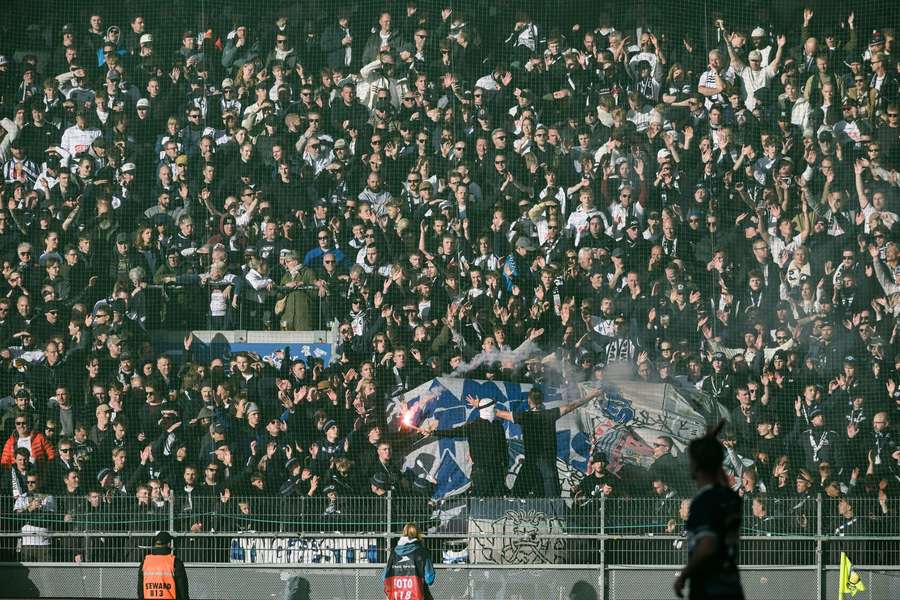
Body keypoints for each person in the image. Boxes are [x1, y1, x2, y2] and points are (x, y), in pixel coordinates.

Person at [674, 422, 744, 600]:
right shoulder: (730, 497)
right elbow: (717, 473)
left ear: (696, 465)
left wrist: (684, 575)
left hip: (708, 590)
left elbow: (707, 545)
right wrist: (709, 447)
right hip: (732, 588)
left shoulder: (703, 502)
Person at [382, 522, 435, 600]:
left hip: (396, 596)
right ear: (418, 534)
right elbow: (429, 579)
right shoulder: (422, 552)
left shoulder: (393, 553)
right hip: (417, 595)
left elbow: (384, 578)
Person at [137, 531, 189, 600]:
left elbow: (140, 591)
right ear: (169, 544)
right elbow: (183, 592)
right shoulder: (175, 562)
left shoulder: (145, 562)